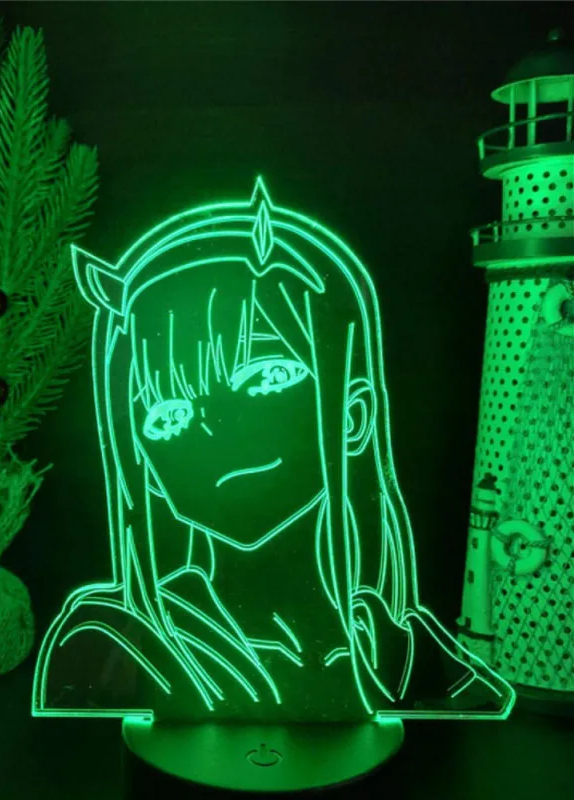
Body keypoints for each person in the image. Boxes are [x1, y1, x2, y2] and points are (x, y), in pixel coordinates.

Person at [32, 178, 515, 723]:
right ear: (143, 462)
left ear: (354, 415)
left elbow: (474, 726)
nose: (213, 432)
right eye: (168, 414)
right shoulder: (115, 638)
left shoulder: (391, 647)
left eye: (264, 377)